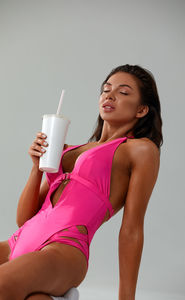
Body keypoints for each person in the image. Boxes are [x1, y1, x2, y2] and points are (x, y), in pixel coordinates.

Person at [0, 64, 162, 300]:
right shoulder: (67, 149)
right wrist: (36, 167)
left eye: (123, 92)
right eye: (106, 89)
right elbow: (25, 218)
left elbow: (132, 228)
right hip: (18, 242)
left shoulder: (140, 150)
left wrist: (126, 298)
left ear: (141, 109)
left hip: (64, 250)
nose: (110, 95)